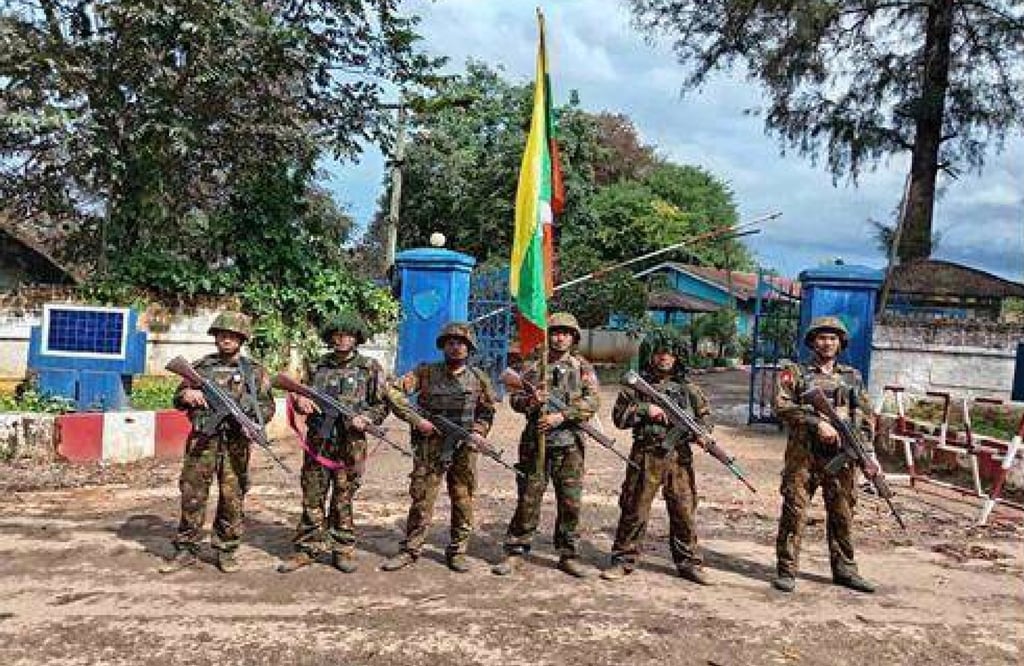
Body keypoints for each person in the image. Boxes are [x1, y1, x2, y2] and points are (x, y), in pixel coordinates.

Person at [159, 311, 275, 574]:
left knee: (232, 497)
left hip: (236, 443)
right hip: (203, 440)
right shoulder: (200, 367)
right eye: (222, 335)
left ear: (242, 339)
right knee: (192, 495)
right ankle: (186, 549)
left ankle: (226, 549)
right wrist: (187, 394)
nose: (226, 339)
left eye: (232, 335)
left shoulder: (254, 371)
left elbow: (267, 407)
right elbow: (178, 397)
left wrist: (253, 424)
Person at [771, 315, 878, 594]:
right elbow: (781, 406)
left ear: (840, 343)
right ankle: (786, 571)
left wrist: (867, 452)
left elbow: (866, 417)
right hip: (803, 456)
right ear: (812, 342)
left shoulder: (852, 376)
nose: (827, 343)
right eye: (821, 338)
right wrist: (816, 423)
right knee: (794, 512)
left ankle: (845, 570)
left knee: (843, 513)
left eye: (832, 338)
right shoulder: (794, 372)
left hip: (841, 457)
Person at [380, 322, 497, 573]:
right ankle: (410, 549)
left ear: (469, 348)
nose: (456, 347)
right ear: (443, 346)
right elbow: (393, 392)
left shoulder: (478, 378)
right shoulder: (425, 372)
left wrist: (478, 433)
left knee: (463, 498)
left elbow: (487, 411)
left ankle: (458, 551)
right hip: (430, 447)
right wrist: (417, 420)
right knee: (422, 498)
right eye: (450, 343)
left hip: (463, 448)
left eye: (461, 343)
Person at [277, 312, 388, 574]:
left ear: (356, 338)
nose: (341, 339)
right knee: (312, 494)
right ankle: (307, 548)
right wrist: (300, 401)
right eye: (336, 335)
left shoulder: (370, 367)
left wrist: (366, 418)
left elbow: (381, 404)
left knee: (343, 497)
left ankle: (342, 549)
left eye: (347, 335)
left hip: (351, 443)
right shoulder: (316, 366)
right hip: (319, 440)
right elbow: (296, 393)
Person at [600, 328, 712, 585]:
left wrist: (702, 434)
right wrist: (644, 409)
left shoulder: (689, 389)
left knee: (684, 511)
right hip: (646, 455)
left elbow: (706, 418)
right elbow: (619, 418)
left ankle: (689, 563)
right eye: (660, 353)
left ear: (678, 356)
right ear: (650, 355)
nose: (665, 358)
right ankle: (623, 561)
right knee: (634, 509)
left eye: (670, 353)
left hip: (679, 458)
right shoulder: (637, 386)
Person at [492, 312, 600, 578]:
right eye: (555, 332)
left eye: (565, 333)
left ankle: (568, 554)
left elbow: (593, 401)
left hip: (570, 444)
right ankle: (516, 551)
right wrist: (532, 401)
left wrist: (561, 416)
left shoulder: (582, 367)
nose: (560, 338)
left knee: (570, 502)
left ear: (573, 337)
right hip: (536, 442)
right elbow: (515, 400)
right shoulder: (534, 366)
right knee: (528, 498)